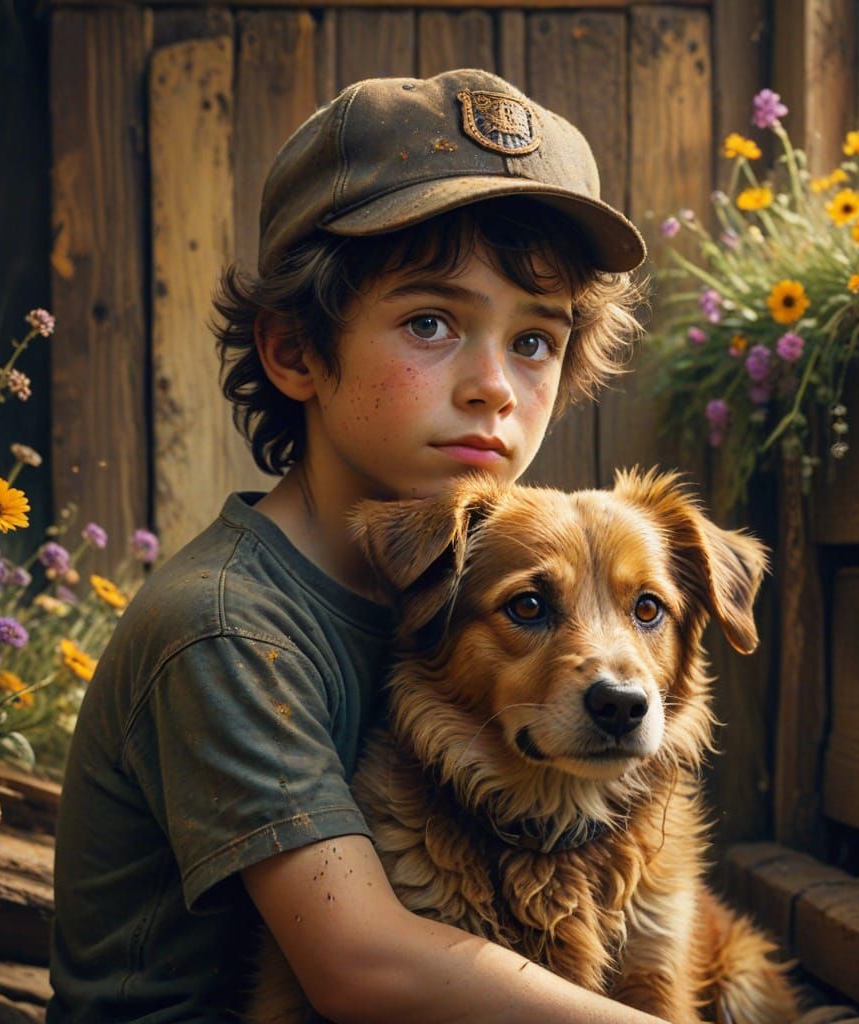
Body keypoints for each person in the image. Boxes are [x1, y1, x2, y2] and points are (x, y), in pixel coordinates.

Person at [48, 68, 658, 1023]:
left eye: (534, 342)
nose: (494, 387)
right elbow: (362, 963)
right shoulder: (228, 628)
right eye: (430, 322)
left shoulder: (458, 587)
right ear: (295, 351)